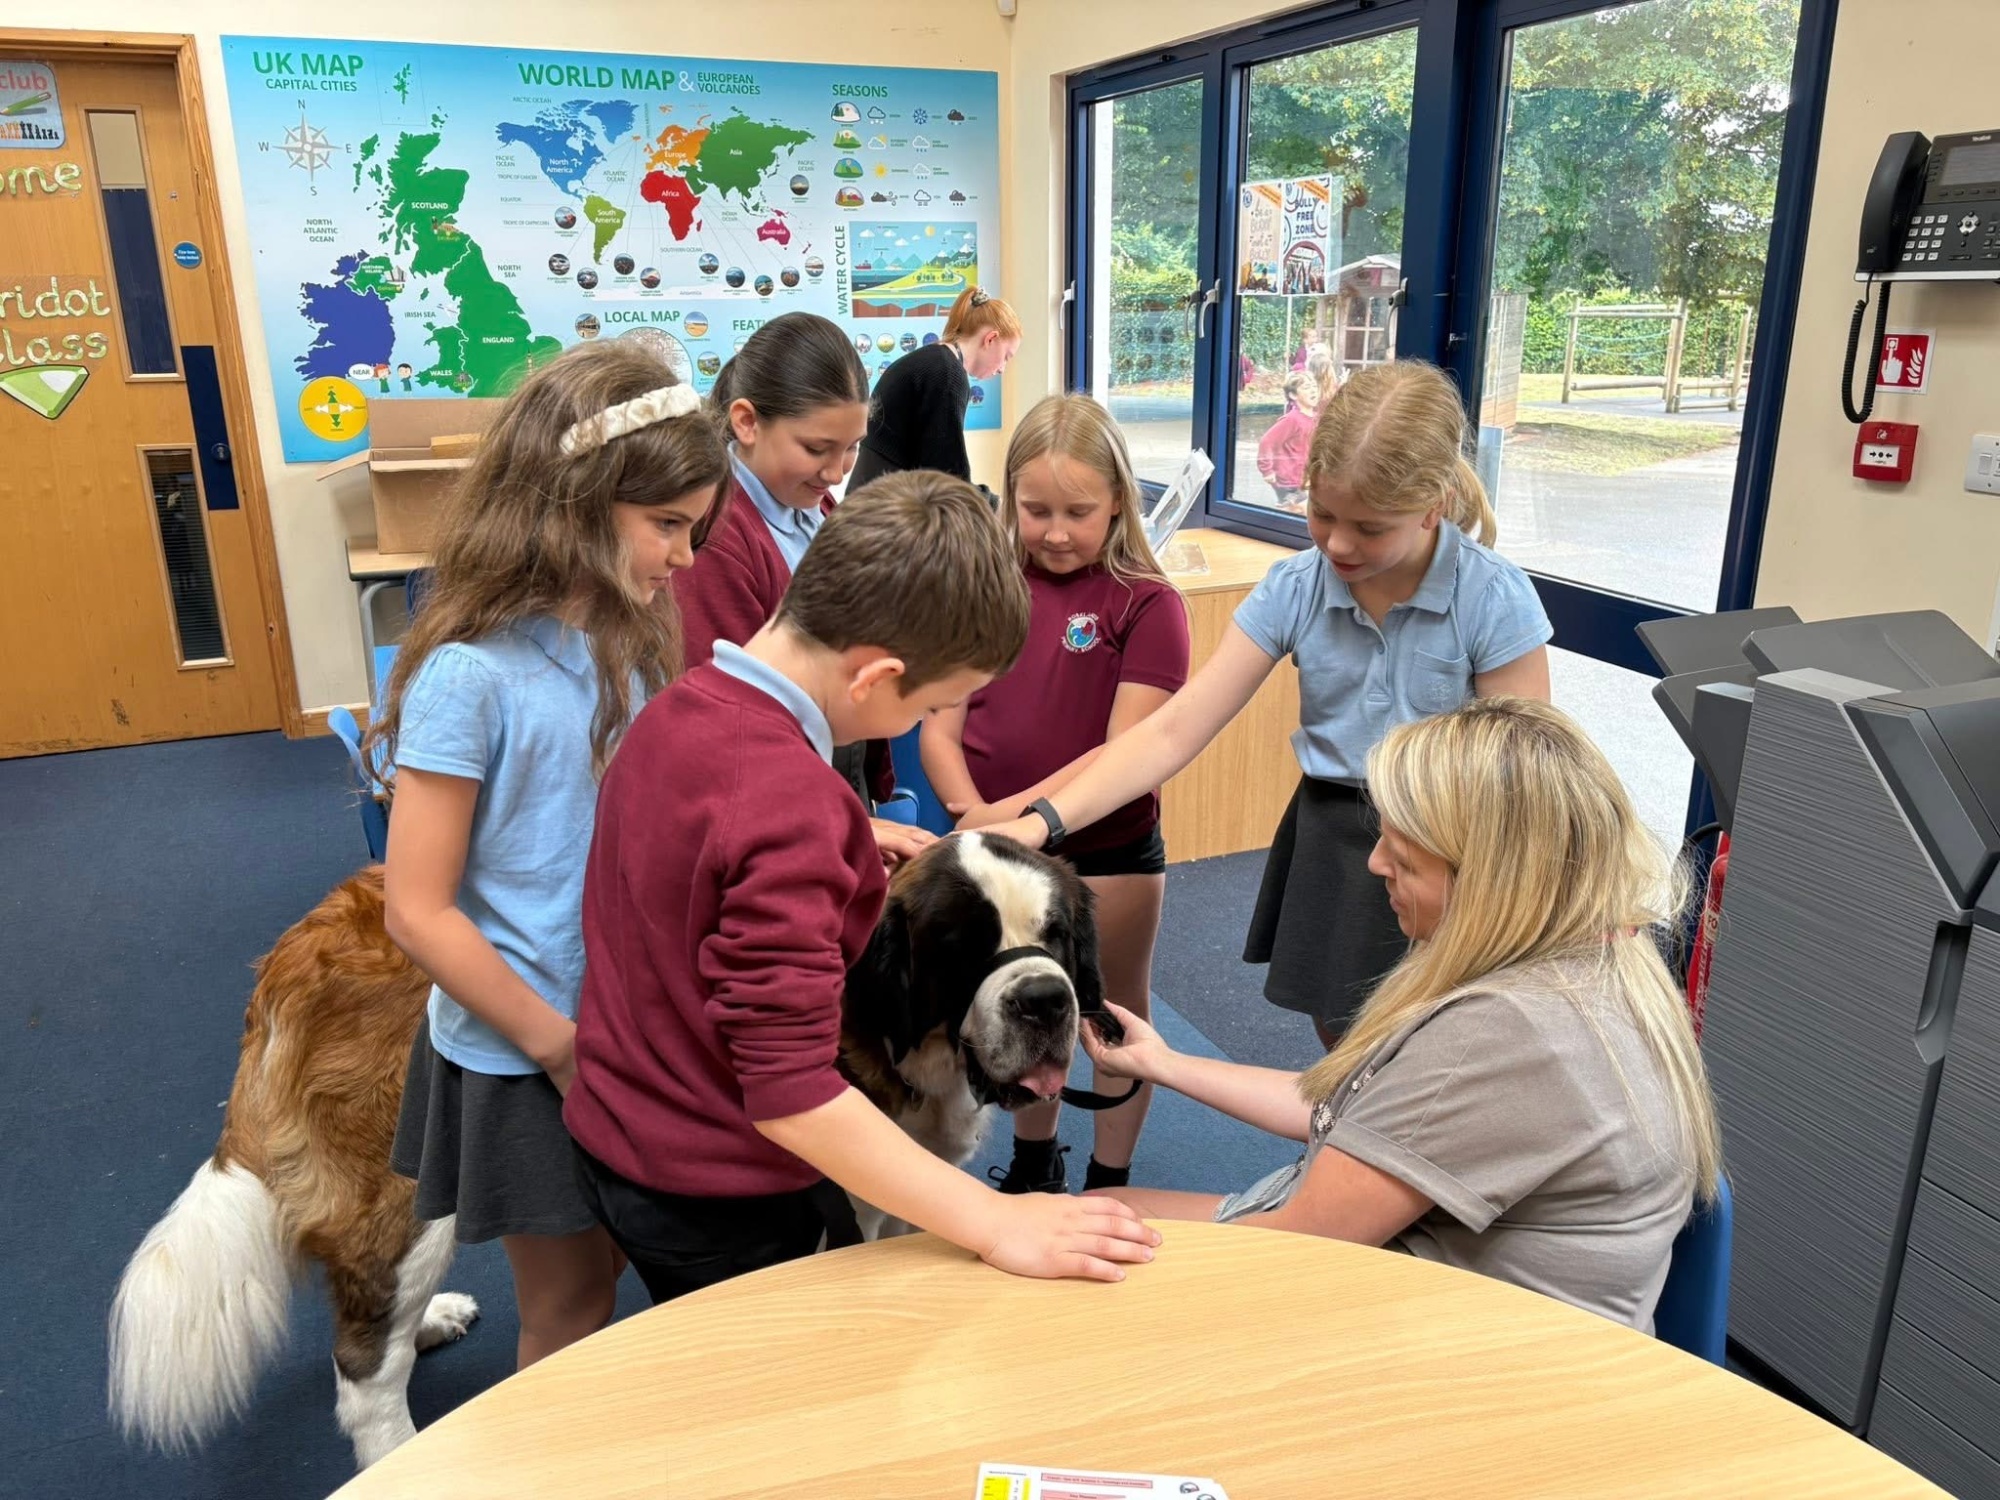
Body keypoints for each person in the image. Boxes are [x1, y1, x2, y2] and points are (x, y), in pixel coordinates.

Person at [562, 472, 1162, 1302]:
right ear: (876, 677)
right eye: (938, 704)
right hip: (734, 1189)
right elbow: (791, 1093)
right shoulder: (799, 806)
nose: (926, 724)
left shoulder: (673, 713)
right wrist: (997, 1221)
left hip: (621, 1132)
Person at [1077, 698, 1722, 1333]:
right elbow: (1359, 1114)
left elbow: (1294, 1250)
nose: (1376, 862)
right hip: (1453, 1302)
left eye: (1406, 853)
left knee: (1081, 1258)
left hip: (1447, 1352)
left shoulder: (1507, 1032)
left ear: (1489, 877)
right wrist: (1162, 1062)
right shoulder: (1601, 957)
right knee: (1105, 1212)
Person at [982, 360, 1553, 1050]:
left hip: (1453, 843)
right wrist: (1042, 823)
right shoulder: (1297, 586)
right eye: (1321, 513)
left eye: (1370, 529)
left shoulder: (1490, 596)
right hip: (1336, 828)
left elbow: (1533, 775)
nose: (1339, 543)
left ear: (1432, 505)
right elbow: (1172, 731)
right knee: (1340, 1031)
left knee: (1436, 1037)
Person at [370, 343, 730, 1368]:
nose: (686, 558)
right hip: (529, 1049)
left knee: (614, 1262)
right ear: (575, 500)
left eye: (694, 528)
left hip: (619, 1024)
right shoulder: (467, 678)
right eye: (666, 526)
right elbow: (419, 910)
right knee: (567, 1304)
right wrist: (557, 1045)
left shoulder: (624, 644)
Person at [922, 394, 1191, 1196]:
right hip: (991, 853)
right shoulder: (986, 586)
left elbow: (1122, 756)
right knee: (1018, 1012)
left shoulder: (1147, 603)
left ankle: (1111, 1175)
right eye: (1036, 510)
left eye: (1080, 511)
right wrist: (976, 819)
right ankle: (1036, 1160)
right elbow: (939, 728)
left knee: (1108, 1017)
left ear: (1119, 500)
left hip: (1107, 852)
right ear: (1008, 499)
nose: (1058, 531)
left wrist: (1008, 824)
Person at [674, 311, 914, 858]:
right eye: (816, 449)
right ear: (746, 422)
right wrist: (831, 818)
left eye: (852, 448)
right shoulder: (716, 534)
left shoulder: (815, 505)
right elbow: (727, 720)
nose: (836, 471)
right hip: (770, 802)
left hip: (829, 776)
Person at [847, 286, 1022, 489]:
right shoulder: (948, 375)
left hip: (870, 492)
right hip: (883, 504)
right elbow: (946, 476)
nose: (1002, 369)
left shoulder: (933, 360)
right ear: (990, 339)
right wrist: (995, 505)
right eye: (1006, 357)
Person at [1256, 372, 1319, 512]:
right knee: (1302, 511)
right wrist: (1267, 470)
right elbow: (1267, 442)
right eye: (1307, 387)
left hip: (1301, 477)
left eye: (1314, 386)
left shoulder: (1315, 418)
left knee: (1297, 512)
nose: (1313, 390)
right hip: (1287, 480)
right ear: (1293, 395)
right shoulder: (1292, 420)